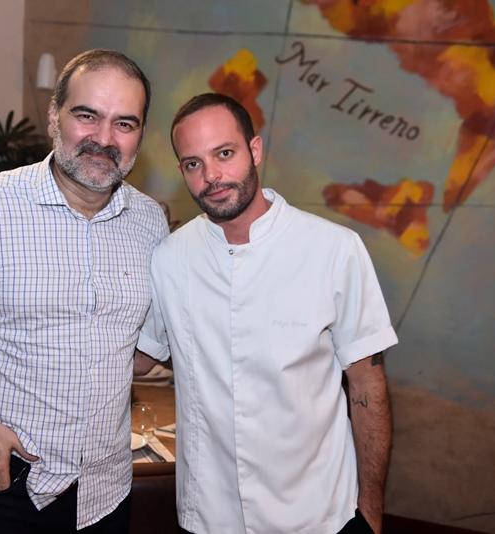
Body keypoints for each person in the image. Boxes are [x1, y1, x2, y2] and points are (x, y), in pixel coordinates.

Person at [0, 49, 168, 534]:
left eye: (124, 123)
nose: (105, 139)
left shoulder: (149, 221)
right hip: (5, 479)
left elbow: (146, 338)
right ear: (55, 116)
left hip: (107, 489)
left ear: (140, 134)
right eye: (87, 115)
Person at [136, 93, 398, 534]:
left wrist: (370, 511)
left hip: (318, 515)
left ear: (254, 150)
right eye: (193, 163)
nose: (211, 176)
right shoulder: (169, 258)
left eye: (224, 153)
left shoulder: (334, 250)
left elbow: (367, 385)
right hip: (209, 516)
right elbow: (140, 357)